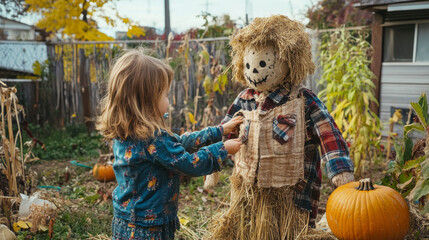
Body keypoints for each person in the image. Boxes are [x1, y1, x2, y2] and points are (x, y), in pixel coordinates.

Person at [96, 48, 243, 240]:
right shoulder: (152, 138)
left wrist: (219, 131)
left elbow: (178, 144)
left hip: (127, 222)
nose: (169, 100)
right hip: (147, 230)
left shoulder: (131, 130)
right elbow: (189, 164)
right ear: (147, 101)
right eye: (165, 94)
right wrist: (222, 149)